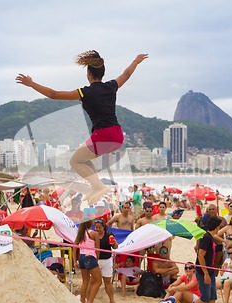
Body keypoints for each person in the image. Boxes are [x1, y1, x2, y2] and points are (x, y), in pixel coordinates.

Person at [16, 51, 148, 204]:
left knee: (74, 161)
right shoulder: (111, 86)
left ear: (89, 74)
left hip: (103, 135)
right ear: (102, 73)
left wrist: (32, 84)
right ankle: (96, 186)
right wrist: (136, 61)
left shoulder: (85, 92)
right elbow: (126, 74)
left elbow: (54, 94)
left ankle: (99, 186)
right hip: (117, 135)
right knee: (83, 157)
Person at [181, 216, 222, 303]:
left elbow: (217, 239)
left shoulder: (210, 237)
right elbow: (200, 256)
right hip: (203, 271)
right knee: (204, 297)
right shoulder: (206, 238)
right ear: (217, 226)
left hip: (210, 270)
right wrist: (205, 273)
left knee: (213, 297)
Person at [73, 219, 102, 303]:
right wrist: (96, 259)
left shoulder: (81, 233)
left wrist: (75, 261)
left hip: (81, 257)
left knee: (85, 281)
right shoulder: (94, 234)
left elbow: (74, 246)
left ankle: (82, 301)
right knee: (98, 281)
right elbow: (97, 249)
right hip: (90, 257)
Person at [94, 219, 117, 303]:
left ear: (103, 227)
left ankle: (112, 299)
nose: (98, 229)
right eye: (96, 227)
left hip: (107, 260)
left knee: (107, 281)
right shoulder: (93, 235)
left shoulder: (109, 235)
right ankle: (90, 299)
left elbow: (115, 247)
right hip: (96, 260)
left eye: (100, 227)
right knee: (93, 281)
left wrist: (114, 243)